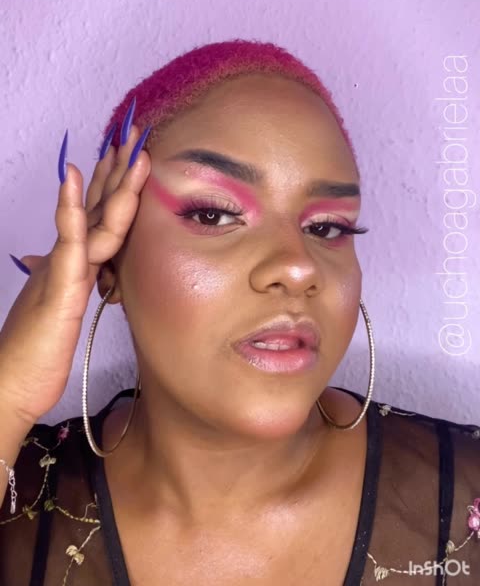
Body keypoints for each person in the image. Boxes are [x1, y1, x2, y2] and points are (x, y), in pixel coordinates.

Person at [0, 39, 479, 586]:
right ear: (108, 265)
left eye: (327, 227)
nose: (298, 267)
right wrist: (9, 389)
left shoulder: (469, 495)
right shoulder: (16, 493)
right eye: (214, 214)